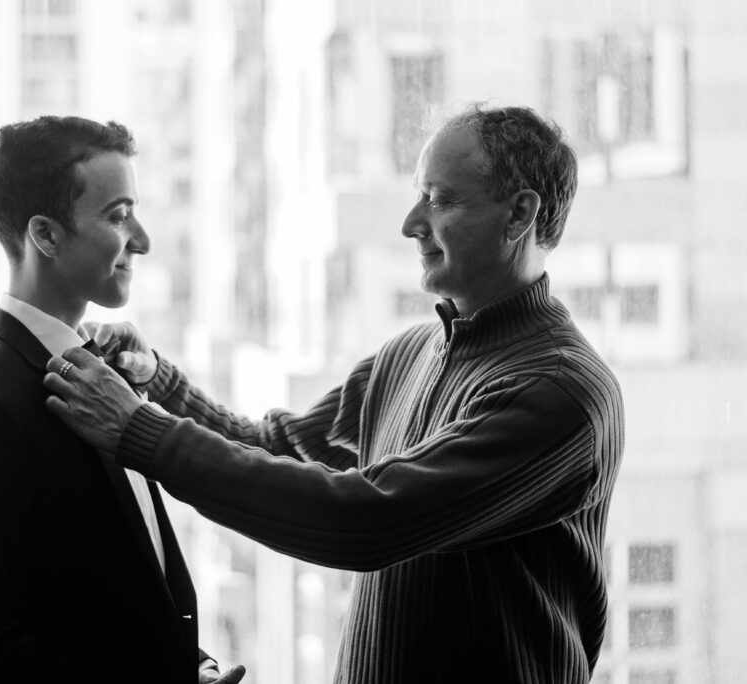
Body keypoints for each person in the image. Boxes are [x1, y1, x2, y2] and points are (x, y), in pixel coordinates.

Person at [43, 104, 625, 683]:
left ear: (520, 213)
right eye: (419, 194)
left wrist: (138, 432)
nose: (410, 223)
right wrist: (159, 384)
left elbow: (368, 520)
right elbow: (277, 447)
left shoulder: (564, 393)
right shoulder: (409, 353)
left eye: (441, 199)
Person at [0, 116, 244, 683]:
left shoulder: (106, 374)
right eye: (118, 216)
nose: (142, 239)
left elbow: (115, 599)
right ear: (45, 235)